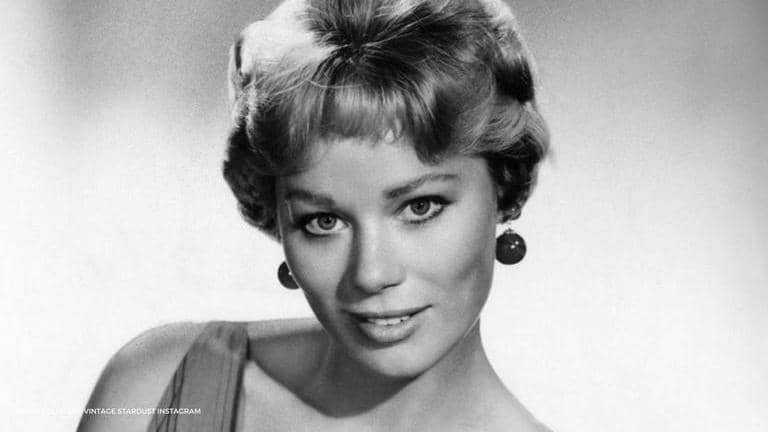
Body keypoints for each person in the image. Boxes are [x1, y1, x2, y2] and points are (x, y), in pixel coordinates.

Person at [78, 0, 551, 430]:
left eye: (419, 207)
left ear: (504, 185)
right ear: (279, 219)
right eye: (323, 221)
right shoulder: (154, 391)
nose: (371, 274)